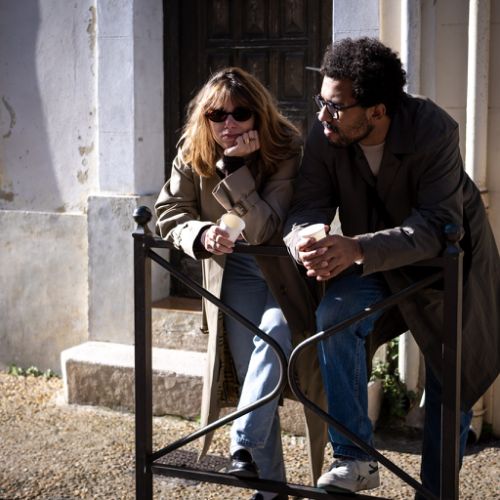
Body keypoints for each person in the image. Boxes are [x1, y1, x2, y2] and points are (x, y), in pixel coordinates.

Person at [284, 37, 500, 498]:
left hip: (449, 266)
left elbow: (437, 225)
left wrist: (356, 248)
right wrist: (303, 238)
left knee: (449, 379)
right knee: (334, 317)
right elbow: (307, 204)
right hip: (378, 263)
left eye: (334, 107)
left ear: (377, 111)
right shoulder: (327, 133)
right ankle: (354, 458)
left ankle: (437, 493)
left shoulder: (433, 129)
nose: (322, 116)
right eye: (321, 102)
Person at [155, 67, 327, 500]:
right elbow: (170, 213)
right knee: (254, 376)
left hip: (284, 272)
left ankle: (243, 442)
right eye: (217, 115)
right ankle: (270, 491)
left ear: (259, 114)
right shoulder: (193, 149)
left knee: (275, 334)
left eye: (240, 113)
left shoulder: (285, 148)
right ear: (205, 118)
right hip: (233, 273)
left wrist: (234, 169)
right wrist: (200, 234)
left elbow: (265, 228)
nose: (228, 124)